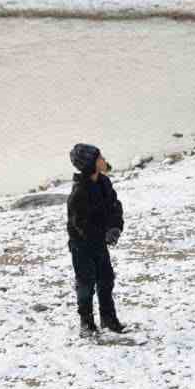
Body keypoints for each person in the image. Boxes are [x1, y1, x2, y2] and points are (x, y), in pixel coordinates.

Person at [67, 142, 125, 339]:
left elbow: (115, 207)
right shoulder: (79, 192)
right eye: (99, 158)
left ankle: (108, 318)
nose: (103, 160)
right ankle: (86, 323)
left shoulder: (104, 182)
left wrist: (115, 227)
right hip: (81, 245)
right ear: (90, 163)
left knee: (106, 279)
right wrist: (103, 235)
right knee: (86, 284)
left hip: (99, 242)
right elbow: (80, 225)